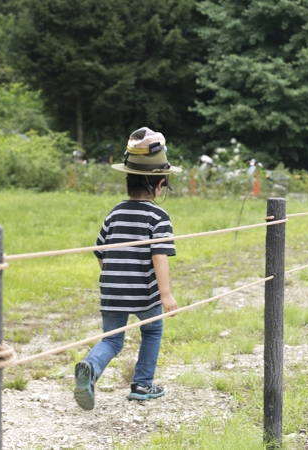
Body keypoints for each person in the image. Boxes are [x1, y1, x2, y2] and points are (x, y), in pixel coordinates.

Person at [73, 126, 182, 411]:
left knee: (111, 341)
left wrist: (113, 275)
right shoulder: (159, 216)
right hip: (144, 293)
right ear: (159, 185)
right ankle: (142, 384)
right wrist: (166, 293)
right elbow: (160, 256)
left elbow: (101, 251)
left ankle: (91, 368)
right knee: (152, 331)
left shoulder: (115, 212)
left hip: (112, 290)